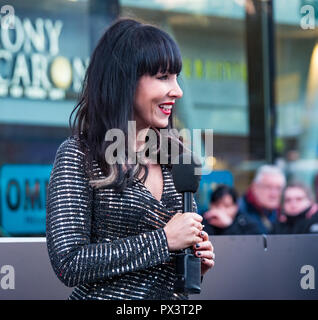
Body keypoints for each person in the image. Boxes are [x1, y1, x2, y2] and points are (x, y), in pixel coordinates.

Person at [46, 18, 214, 300]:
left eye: (176, 77)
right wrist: (165, 240)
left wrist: (191, 263)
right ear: (125, 80)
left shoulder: (177, 157)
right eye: (163, 77)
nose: (177, 90)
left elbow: (161, 266)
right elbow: (68, 263)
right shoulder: (79, 154)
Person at [238, 165, 286, 234]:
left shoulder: (283, 213)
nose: (274, 194)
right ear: (255, 187)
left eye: (278, 188)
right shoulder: (238, 210)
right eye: (268, 187)